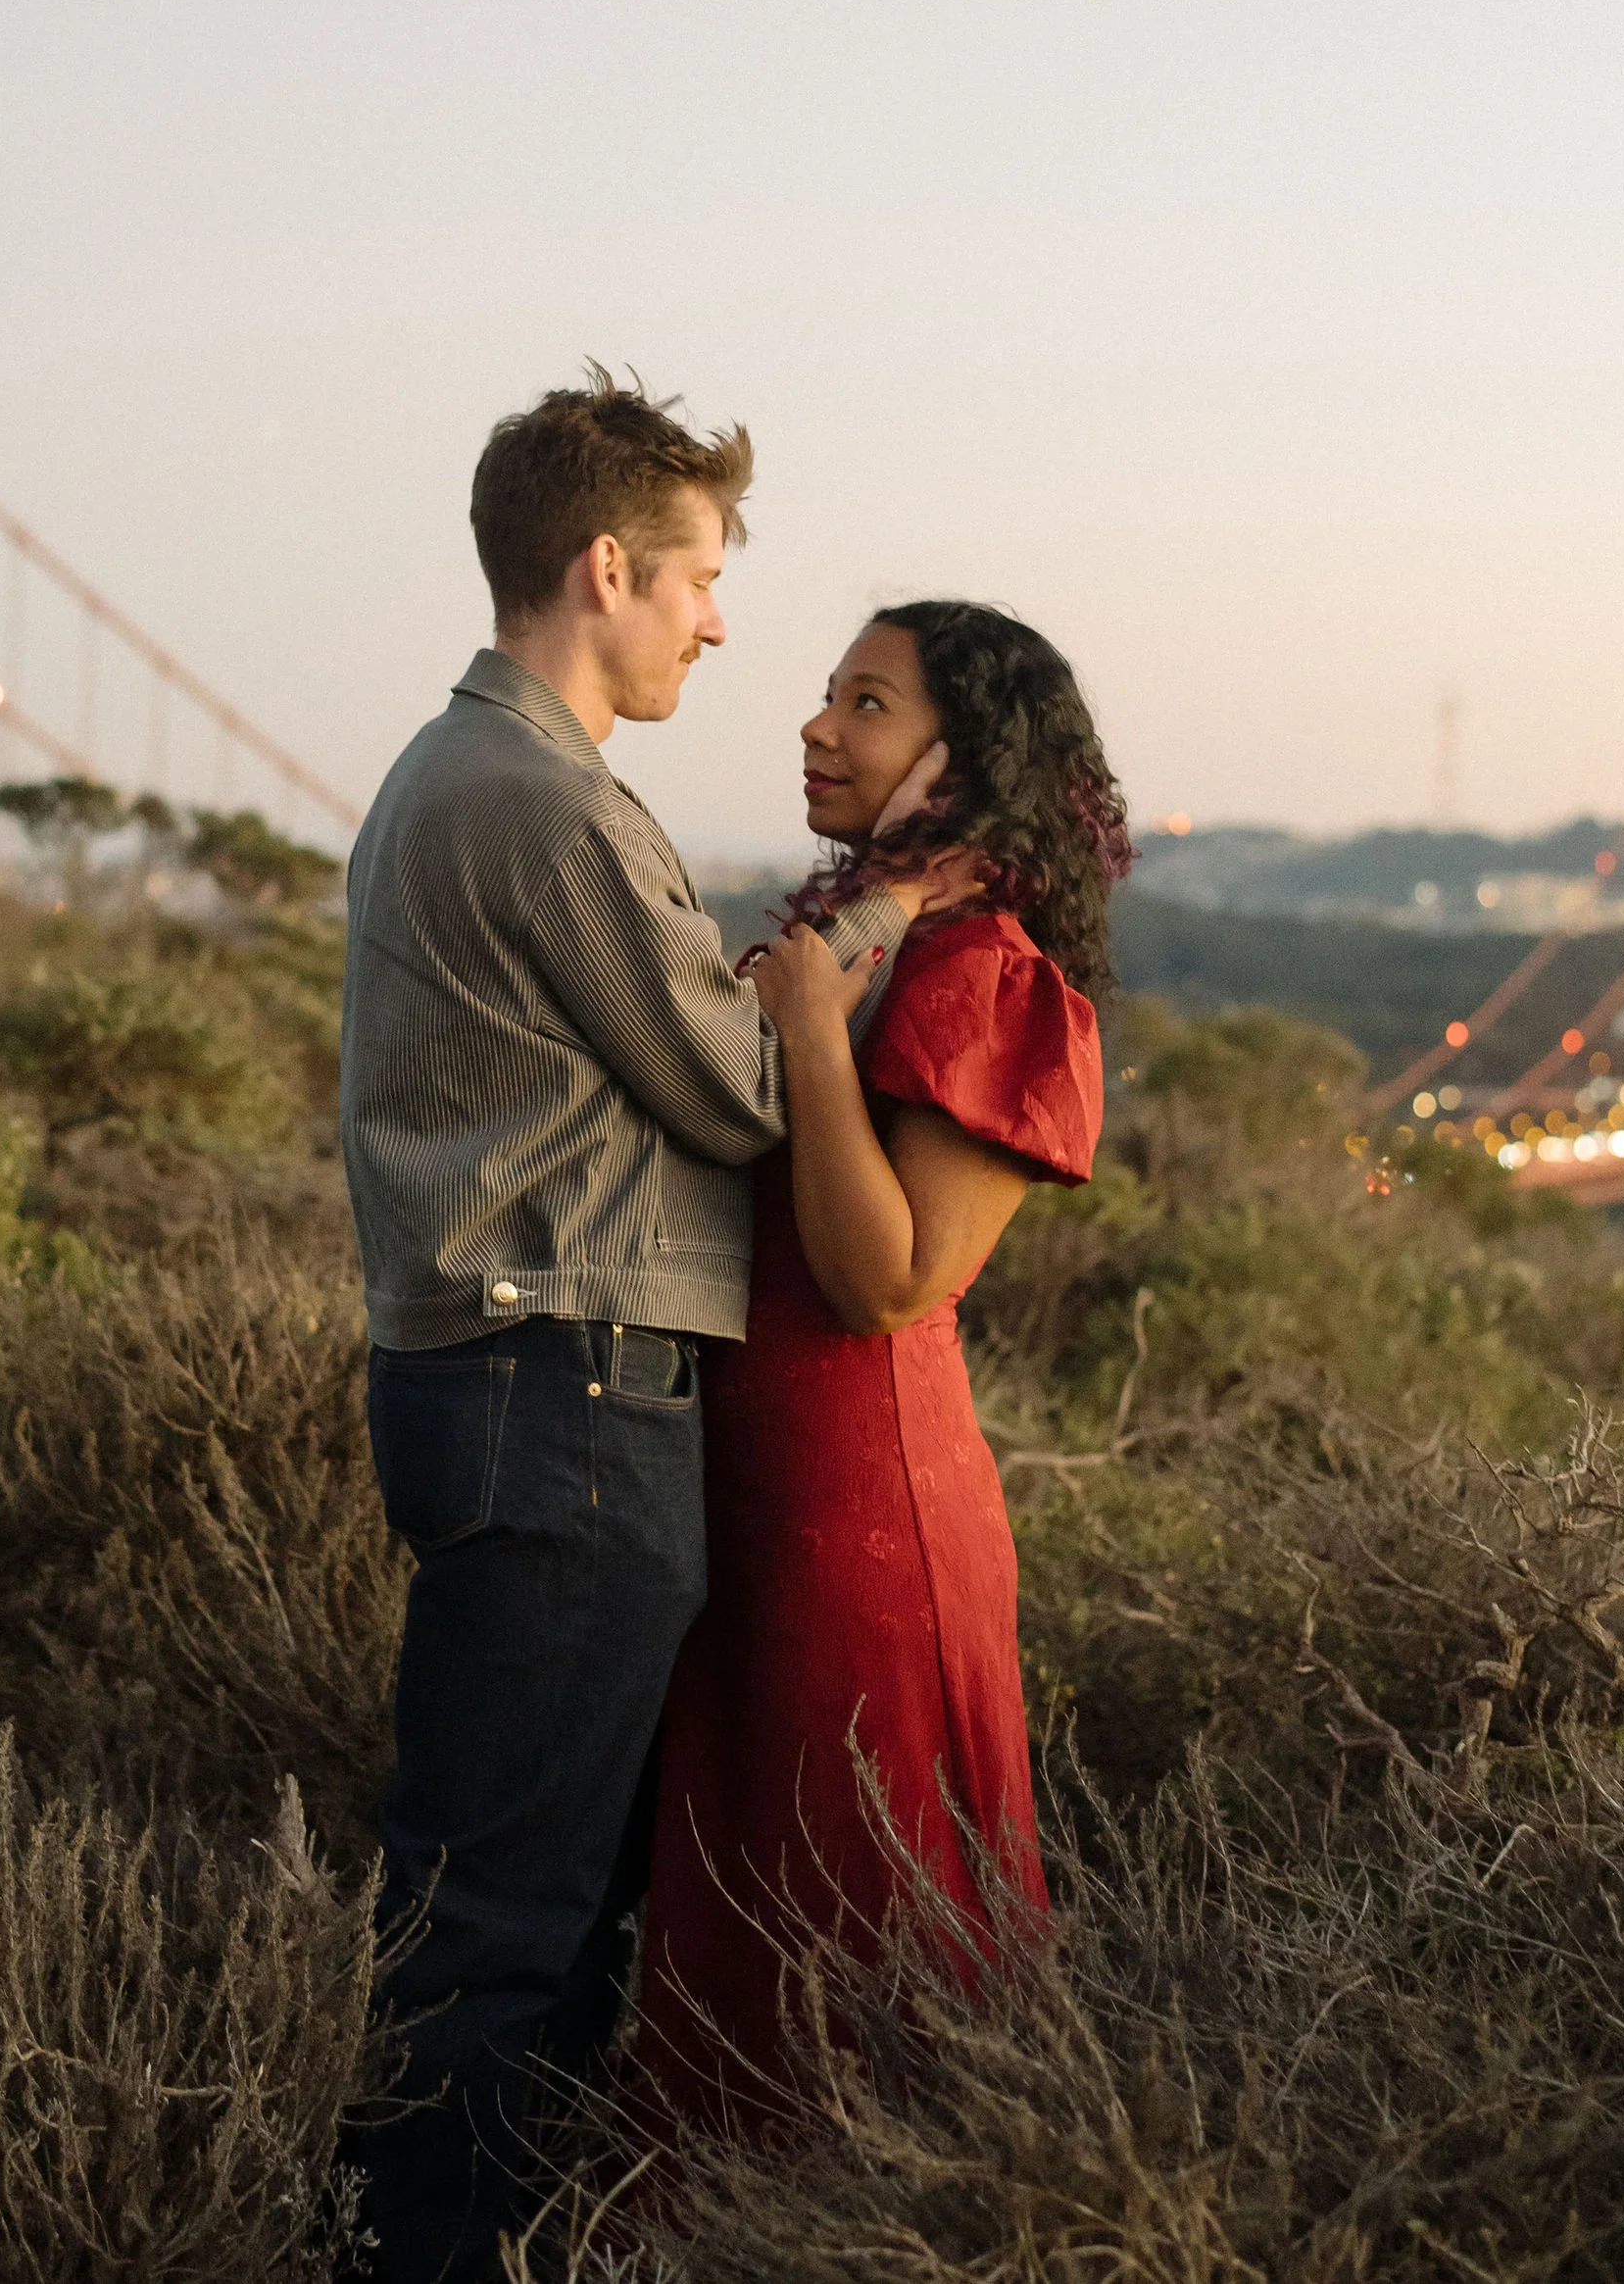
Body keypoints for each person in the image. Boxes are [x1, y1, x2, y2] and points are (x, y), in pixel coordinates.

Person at [337, 372, 946, 2283]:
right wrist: (876, 936)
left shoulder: (455, 774)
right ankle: (419, 2257)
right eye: (693, 580)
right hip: (564, 1382)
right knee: (511, 1915)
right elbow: (740, 1089)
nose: (716, 623)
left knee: (522, 1890)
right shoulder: (547, 805)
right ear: (604, 570)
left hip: (508, 1377)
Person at [636, 599, 1129, 2122]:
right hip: (751, 1496)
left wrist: (814, 1039)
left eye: (867, 703)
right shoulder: (873, 941)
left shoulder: (984, 973)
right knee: (737, 1938)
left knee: (865, 1958)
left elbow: (885, 1277)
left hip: (865, 1527)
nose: (817, 725)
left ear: (962, 762)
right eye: (827, 694)